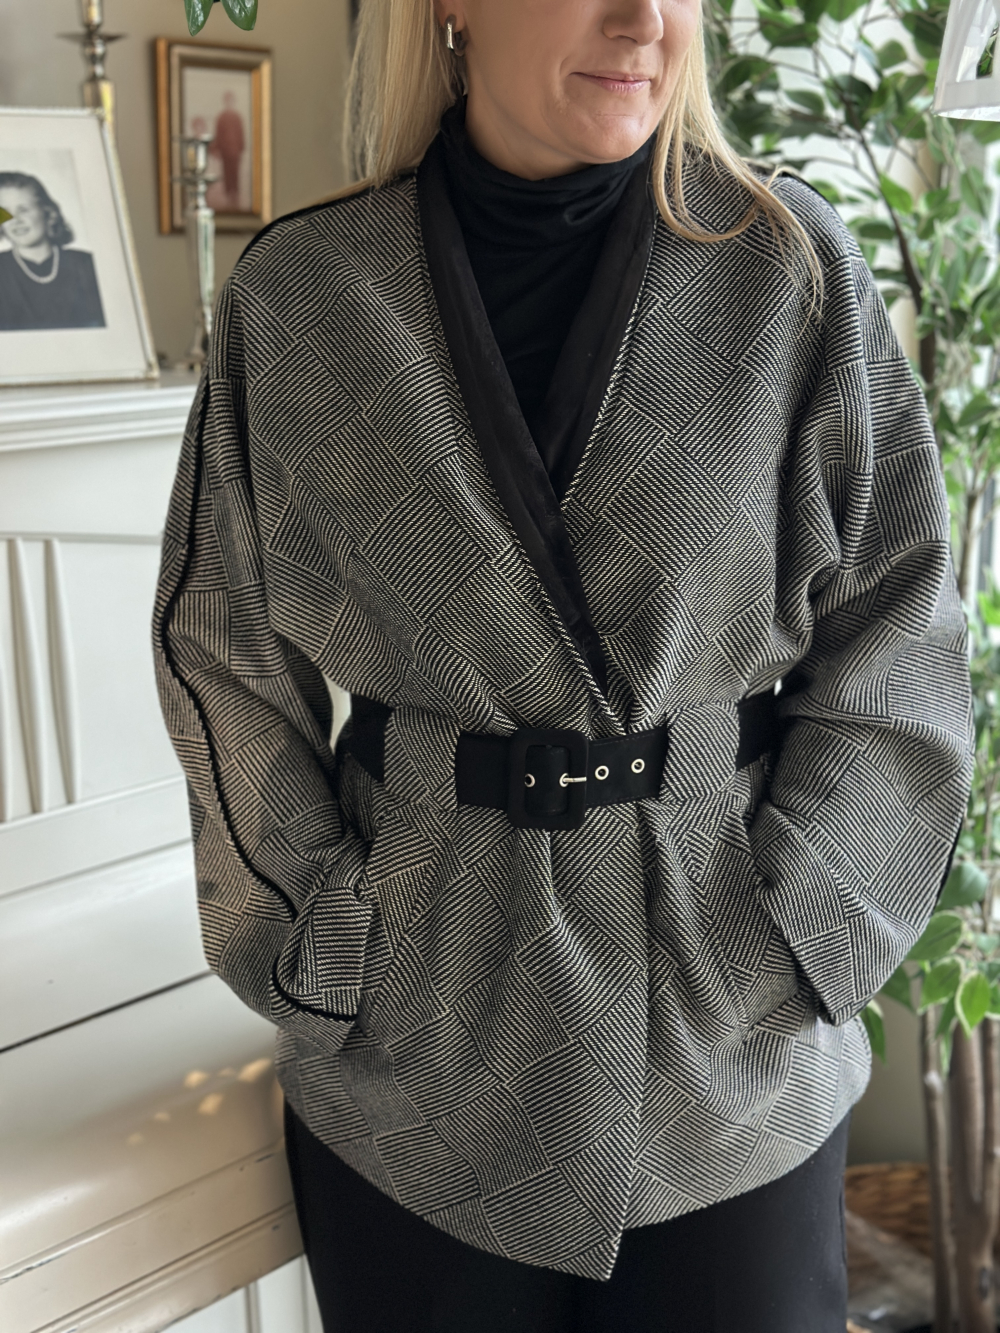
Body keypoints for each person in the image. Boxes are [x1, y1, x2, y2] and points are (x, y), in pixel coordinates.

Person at [152, 0, 975, 1329]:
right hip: (419, 1070)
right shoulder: (302, 295)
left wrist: (799, 934)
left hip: (727, 1064)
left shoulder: (786, 267)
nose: (643, 20)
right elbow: (217, 646)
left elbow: (902, 620)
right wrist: (325, 940)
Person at [0, 172, 105, 330]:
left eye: (24, 210)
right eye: (5, 213)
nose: (15, 220)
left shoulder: (88, 265)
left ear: (49, 213)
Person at [211, 91, 246, 208]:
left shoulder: (237, 117)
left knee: (235, 172)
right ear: (225, 102)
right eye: (227, 100)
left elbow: (241, 133)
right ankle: (227, 194)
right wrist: (215, 149)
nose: (229, 103)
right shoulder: (221, 117)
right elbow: (218, 134)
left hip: (235, 150)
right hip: (225, 150)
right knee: (226, 173)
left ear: (233, 102)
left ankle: (235, 195)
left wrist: (241, 147)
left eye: (231, 100)